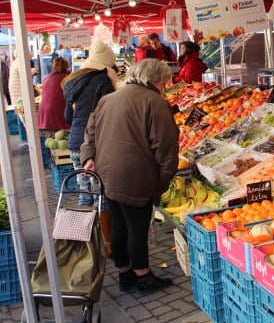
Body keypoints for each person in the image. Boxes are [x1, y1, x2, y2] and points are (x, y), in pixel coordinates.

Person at [80, 58, 179, 293]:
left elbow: (90, 131)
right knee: (137, 228)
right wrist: (161, 183)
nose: (165, 86)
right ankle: (143, 276)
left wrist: (88, 156)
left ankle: (125, 274)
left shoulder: (109, 98)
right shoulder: (154, 102)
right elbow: (166, 147)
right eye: (164, 82)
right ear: (155, 79)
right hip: (136, 176)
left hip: (108, 174)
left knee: (120, 226)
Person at [62, 39, 117, 256]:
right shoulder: (102, 80)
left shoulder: (74, 80)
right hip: (94, 142)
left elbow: (68, 116)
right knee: (100, 192)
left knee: (84, 191)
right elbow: (107, 113)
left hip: (75, 143)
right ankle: (108, 244)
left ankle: (84, 242)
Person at [38, 56, 71, 136]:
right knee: (61, 141)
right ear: (67, 66)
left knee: (49, 142)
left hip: (43, 115)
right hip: (57, 115)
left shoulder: (47, 78)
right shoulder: (67, 78)